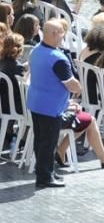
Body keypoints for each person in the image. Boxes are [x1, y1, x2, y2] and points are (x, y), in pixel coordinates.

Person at [26, 20, 83, 188]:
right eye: (61, 33)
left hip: (36, 103)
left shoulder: (36, 50)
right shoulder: (57, 58)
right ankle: (45, 177)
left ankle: (45, 171)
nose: (63, 36)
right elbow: (71, 83)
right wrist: (79, 87)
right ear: (54, 34)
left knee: (41, 141)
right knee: (48, 143)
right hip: (50, 107)